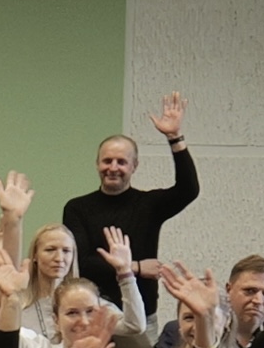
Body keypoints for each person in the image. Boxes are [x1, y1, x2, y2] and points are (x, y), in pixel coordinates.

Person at [49, 96, 206, 312]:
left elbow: (189, 189)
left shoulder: (149, 205)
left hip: (142, 315)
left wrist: (174, 137)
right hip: (92, 311)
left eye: (121, 162)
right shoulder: (77, 208)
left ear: (134, 166)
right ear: (97, 164)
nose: (113, 168)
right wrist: (136, 267)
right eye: (107, 161)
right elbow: (82, 263)